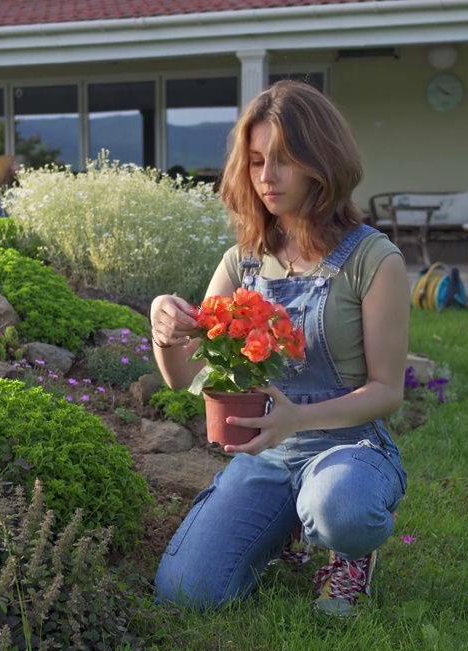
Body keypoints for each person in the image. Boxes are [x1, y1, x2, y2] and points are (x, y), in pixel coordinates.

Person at [148, 80, 411, 616]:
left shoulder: (373, 260)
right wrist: (164, 328)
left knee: (342, 508)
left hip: (349, 451)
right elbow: (183, 378)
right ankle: (283, 529)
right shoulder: (242, 262)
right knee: (186, 591)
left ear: (323, 162)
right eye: (256, 160)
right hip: (266, 457)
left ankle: (348, 552)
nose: (267, 177)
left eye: (285, 160)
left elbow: (386, 391)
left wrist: (298, 419)